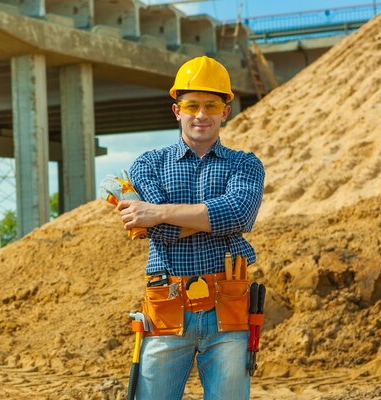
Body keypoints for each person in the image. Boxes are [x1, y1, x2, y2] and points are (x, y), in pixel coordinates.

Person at [117, 56, 265, 399]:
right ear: (177, 110)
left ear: (225, 112)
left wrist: (159, 212)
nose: (201, 114)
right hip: (167, 305)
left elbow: (239, 215)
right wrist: (211, 220)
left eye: (211, 104)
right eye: (192, 104)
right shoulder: (148, 165)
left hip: (229, 306)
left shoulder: (246, 164)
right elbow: (163, 233)